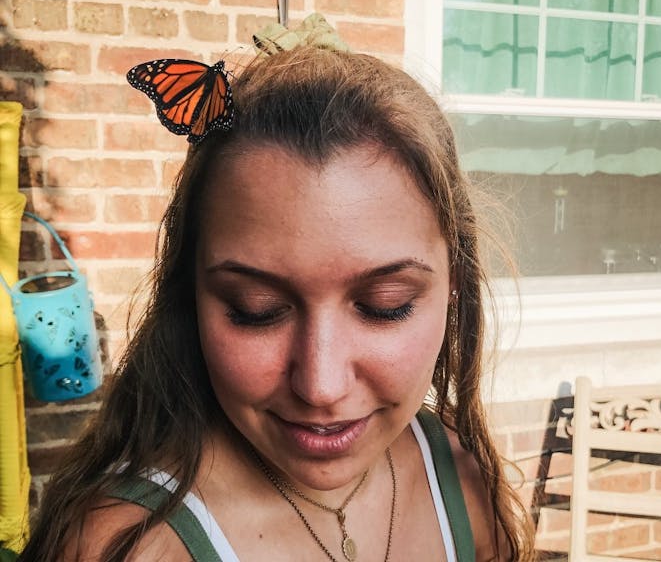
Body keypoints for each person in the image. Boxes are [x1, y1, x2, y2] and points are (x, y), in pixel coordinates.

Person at [20, 31, 536, 561]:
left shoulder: (463, 478)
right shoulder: (127, 546)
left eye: (386, 304)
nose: (320, 385)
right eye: (255, 311)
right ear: (190, 297)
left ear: (454, 285)